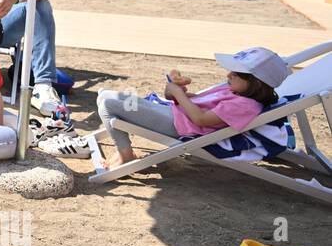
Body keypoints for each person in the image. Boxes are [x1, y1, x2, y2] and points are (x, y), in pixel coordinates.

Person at [96, 48, 288, 171]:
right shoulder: (234, 90)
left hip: (177, 125)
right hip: (174, 114)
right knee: (105, 95)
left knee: (107, 102)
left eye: (236, 73)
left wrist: (178, 95)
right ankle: (124, 152)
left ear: (255, 82)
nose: (229, 74)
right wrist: (176, 91)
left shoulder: (245, 106)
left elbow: (201, 119)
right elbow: (198, 101)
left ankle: (125, 154)